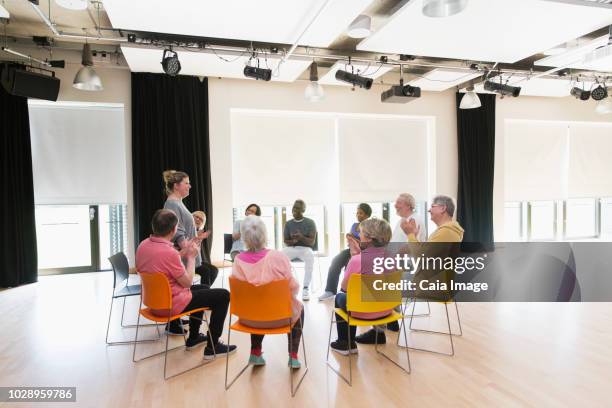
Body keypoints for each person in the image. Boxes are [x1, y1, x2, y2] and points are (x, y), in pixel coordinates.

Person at [135, 209, 237, 358]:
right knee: (223, 295)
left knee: (204, 288)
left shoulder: (143, 245)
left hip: (153, 303)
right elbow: (188, 282)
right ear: (174, 229)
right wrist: (190, 258)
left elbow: (163, 261)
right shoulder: (168, 253)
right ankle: (213, 347)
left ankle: (194, 338)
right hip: (169, 305)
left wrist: (183, 251)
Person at [231, 215, 305, 369]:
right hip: (280, 318)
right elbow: (293, 287)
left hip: (248, 318)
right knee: (300, 309)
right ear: (265, 234)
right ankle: (293, 356)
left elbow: (239, 293)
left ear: (244, 237)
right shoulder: (278, 256)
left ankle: (255, 353)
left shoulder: (237, 260)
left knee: (256, 303)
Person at [162, 170, 218, 335]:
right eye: (186, 183)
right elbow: (177, 231)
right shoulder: (172, 203)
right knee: (183, 286)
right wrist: (189, 248)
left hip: (186, 252)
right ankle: (175, 324)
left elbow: (184, 230)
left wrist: (195, 240)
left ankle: (177, 320)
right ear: (176, 185)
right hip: (183, 254)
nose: (190, 186)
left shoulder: (177, 202)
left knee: (184, 286)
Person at [330, 218, 394, 355]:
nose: (359, 236)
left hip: (363, 312)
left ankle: (346, 343)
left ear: (369, 238)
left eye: (361, 233)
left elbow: (345, 288)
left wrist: (355, 257)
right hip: (387, 310)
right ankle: (378, 333)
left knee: (340, 296)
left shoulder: (357, 260)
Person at [401, 195, 464, 302]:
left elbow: (420, 257)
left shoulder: (447, 232)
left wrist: (410, 234)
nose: (429, 210)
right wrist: (414, 236)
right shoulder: (445, 231)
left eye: (432, 206)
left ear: (443, 208)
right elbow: (427, 255)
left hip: (432, 293)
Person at [318, 203, 372, 301]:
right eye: (357, 213)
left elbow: (368, 243)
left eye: (361, 213)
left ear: (367, 215)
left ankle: (347, 291)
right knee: (336, 260)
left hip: (364, 251)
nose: (358, 215)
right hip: (352, 250)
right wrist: (350, 238)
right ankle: (330, 291)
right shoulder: (354, 225)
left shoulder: (371, 227)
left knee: (350, 265)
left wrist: (355, 240)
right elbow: (350, 238)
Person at [282, 199, 317, 301]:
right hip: (291, 248)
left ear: (303, 210)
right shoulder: (288, 224)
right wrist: (293, 240)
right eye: (293, 207)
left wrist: (301, 237)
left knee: (310, 256)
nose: (294, 210)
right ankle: (288, 285)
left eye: (297, 208)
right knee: (280, 255)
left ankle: (305, 288)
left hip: (306, 249)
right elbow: (285, 241)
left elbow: (311, 242)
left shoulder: (310, 222)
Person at [192, 210, 219, 287]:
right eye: (196, 217)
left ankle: (205, 290)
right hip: (186, 261)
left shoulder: (198, 232)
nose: (198, 219)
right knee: (206, 271)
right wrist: (196, 238)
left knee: (214, 270)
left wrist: (198, 238)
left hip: (196, 261)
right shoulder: (186, 229)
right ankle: (204, 292)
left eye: (201, 219)